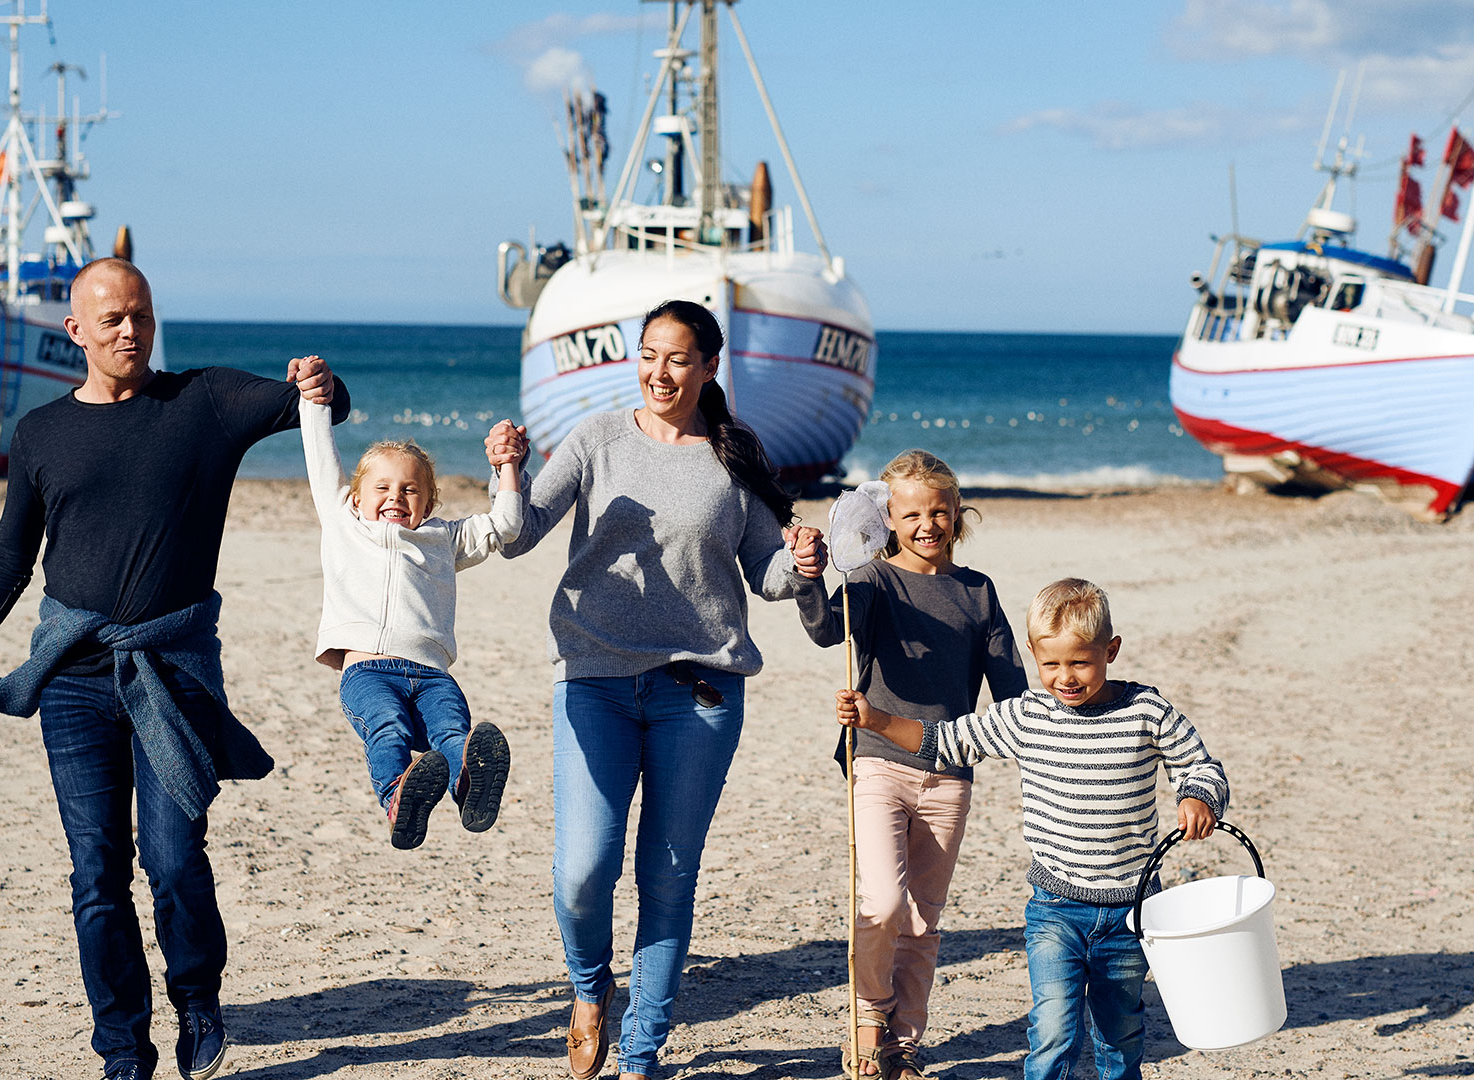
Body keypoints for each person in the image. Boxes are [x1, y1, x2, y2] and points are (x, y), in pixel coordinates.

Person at [0, 258, 351, 1080]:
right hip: (72, 675)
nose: (129, 331)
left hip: (174, 670)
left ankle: (200, 1003)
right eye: (110, 319)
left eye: (140, 315)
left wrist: (319, 378)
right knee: (97, 873)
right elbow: (9, 558)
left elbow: (326, 406)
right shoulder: (41, 433)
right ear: (75, 331)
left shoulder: (204, 401)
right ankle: (122, 1050)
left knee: (176, 859)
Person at [484, 299, 826, 1080]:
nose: (659, 372)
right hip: (594, 679)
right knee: (583, 869)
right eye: (647, 355)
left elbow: (767, 574)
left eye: (676, 358)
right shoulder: (599, 438)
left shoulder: (734, 459)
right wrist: (509, 469)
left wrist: (801, 559)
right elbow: (522, 533)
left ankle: (641, 1052)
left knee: (667, 876)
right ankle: (587, 987)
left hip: (699, 692)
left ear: (709, 366)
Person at [835, 578, 1229, 1080]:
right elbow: (948, 741)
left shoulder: (1145, 711)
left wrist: (1198, 795)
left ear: (1111, 650)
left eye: (1080, 662)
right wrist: (877, 720)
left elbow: (1200, 764)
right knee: (1053, 1031)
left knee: (1120, 1030)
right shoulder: (1026, 716)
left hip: (1133, 911)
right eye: (1051, 665)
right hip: (1056, 910)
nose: (1065, 677)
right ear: (1033, 655)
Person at [798, 450, 1028, 1079]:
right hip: (876, 761)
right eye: (911, 514)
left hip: (950, 773)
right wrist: (809, 576)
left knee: (924, 918)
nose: (927, 524)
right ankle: (869, 1015)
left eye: (939, 511)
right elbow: (825, 629)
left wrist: (1054, 731)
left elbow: (1012, 694)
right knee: (881, 900)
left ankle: (904, 1041)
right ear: (889, 519)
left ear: (959, 514)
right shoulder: (873, 580)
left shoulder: (978, 592)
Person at [297, 377, 523, 848]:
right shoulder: (345, 523)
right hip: (368, 673)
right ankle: (399, 798)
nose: (396, 497)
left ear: (429, 502)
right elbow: (321, 462)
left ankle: (467, 784)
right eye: (382, 487)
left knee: (453, 730)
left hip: (434, 675)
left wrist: (507, 468)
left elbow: (506, 524)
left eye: (410, 489)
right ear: (356, 498)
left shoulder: (443, 538)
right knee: (388, 729)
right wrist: (314, 402)